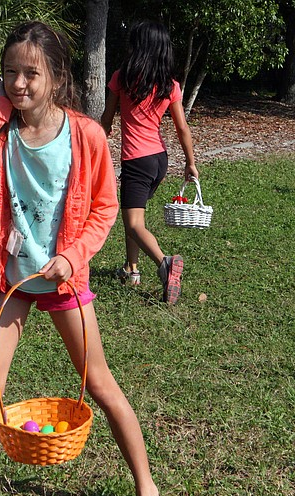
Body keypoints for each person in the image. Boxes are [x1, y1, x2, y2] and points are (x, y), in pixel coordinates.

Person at [0, 21, 174, 496]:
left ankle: (148, 489)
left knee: (99, 384)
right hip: (11, 281)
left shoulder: (86, 134)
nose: (19, 83)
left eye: (31, 73)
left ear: (56, 75)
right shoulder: (1, 132)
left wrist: (74, 256)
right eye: (10, 73)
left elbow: (105, 207)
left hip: (65, 281)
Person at [100, 20, 199, 304]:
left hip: (136, 160)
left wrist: (91, 146)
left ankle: (165, 263)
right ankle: (131, 269)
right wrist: (190, 163)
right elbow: (182, 128)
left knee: (133, 223)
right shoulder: (170, 84)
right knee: (135, 217)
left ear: (138, 46)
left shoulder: (123, 78)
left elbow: (107, 120)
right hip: (159, 160)